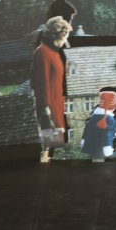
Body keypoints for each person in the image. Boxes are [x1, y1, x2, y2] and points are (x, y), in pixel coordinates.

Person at [31, 15, 73, 163]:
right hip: (48, 108)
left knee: (55, 148)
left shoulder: (53, 52)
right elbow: (41, 83)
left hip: (56, 104)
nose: (66, 40)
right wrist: (45, 108)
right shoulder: (42, 52)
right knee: (47, 148)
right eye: (66, 36)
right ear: (59, 34)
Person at [81, 88, 116, 163]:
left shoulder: (94, 116)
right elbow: (107, 135)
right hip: (101, 149)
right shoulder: (108, 118)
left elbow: (87, 130)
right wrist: (107, 148)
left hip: (93, 147)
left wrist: (84, 140)